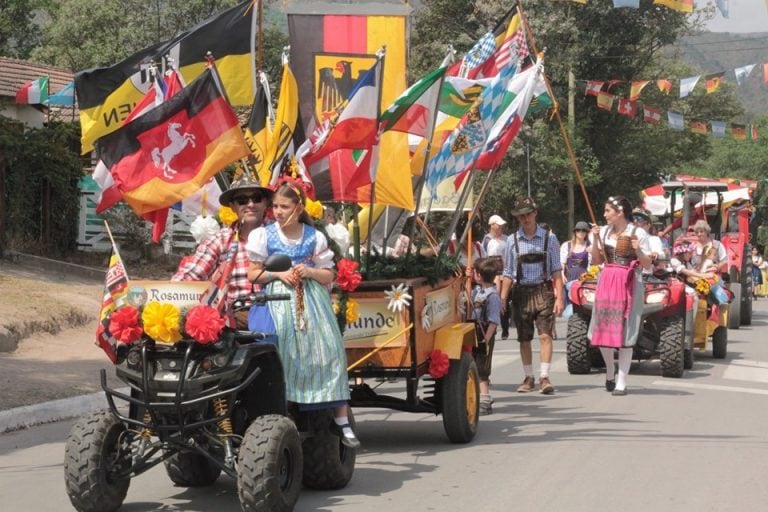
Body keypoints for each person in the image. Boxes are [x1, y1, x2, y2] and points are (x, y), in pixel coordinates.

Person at [245, 181, 359, 448]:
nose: (277, 211)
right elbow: (254, 273)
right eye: (275, 206)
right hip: (276, 300)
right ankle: (281, 409)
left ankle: (341, 419)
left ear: (298, 208)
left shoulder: (314, 236)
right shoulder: (264, 235)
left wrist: (309, 272)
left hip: (311, 302)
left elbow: (328, 274)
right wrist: (277, 274)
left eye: (283, 206)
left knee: (330, 349)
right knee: (279, 349)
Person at [173, 169, 271, 328]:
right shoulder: (221, 240)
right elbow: (191, 274)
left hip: (276, 316)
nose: (250, 204)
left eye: (256, 198)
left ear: (265, 202)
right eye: (242, 200)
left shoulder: (280, 238)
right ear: (233, 206)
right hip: (233, 322)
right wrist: (165, 294)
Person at [589, 196, 653, 396]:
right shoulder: (603, 232)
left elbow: (648, 264)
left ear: (620, 213)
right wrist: (595, 242)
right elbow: (595, 260)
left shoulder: (638, 233)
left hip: (629, 282)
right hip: (607, 281)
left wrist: (637, 249)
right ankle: (610, 369)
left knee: (626, 332)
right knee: (602, 330)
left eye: (608, 211)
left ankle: (622, 381)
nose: (605, 214)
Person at [500, 197, 565, 395]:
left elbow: (556, 270)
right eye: (521, 216)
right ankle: (529, 377)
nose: (525, 219)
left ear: (535, 213)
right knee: (524, 338)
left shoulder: (549, 238)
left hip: (543, 290)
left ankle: (544, 377)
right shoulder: (512, 241)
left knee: (545, 335)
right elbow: (509, 272)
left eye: (528, 214)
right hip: (521, 292)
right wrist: (502, 298)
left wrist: (560, 297)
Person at [467, 257, 502, 415]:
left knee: (482, 369)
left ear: (480, 275)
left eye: (475, 272)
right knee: (473, 365)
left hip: (484, 333)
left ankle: (485, 401)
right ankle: (475, 397)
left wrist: (486, 339)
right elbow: (467, 296)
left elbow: (494, 321)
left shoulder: (493, 296)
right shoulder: (476, 291)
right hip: (473, 332)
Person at [482, 214, 510, 338]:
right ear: (492, 225)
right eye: (498, 225)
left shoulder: (507, 238)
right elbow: (483, 257)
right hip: (492, 275)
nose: (500, 227)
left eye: (501, 225)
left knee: (504, 300)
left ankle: (505, 327)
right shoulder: (486, 240)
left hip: (505, 274)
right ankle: (492, 326)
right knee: (493, 298)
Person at [560, 221, 592, 310]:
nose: (581, 232)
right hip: (569, 277)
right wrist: (562, 275)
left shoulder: (590, 246)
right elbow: (562, 263)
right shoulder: (566, 245)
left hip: (583, 279)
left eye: (583, 230)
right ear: (575, 232)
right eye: (578, 230)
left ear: (587, 233)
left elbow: (591, 266)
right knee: (569, 306)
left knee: (581, 304)